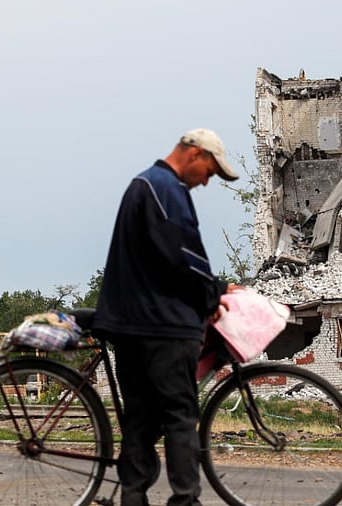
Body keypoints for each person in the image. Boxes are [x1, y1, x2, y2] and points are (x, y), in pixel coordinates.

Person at [92, 128, 239, 506]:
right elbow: (184, 256)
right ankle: (185, 499)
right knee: (179, 413)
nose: (207, 182)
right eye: (210, 171)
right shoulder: (166, 189)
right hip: (162, 326)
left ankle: (133, 496)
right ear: (194, 154)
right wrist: (213, 295)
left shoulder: (143, 185)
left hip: (129, 324)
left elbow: (162, 258)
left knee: (139, 417)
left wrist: (214, 289)